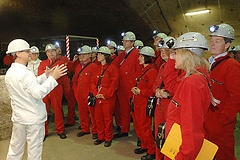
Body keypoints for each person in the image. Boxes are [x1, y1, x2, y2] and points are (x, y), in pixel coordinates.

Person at [5, 39, 67, 160]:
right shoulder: (25, 73)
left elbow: (28, 86)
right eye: (27, 51)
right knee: (34, 151)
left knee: (15, 149)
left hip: (20, 118)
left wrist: (45, 76)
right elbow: (38, 93)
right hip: (33, 119)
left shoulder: (11, 72)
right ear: (18, 53)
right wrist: (53, 78)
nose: (30, 53)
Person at [164, 32, 211, 159]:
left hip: (182, 152)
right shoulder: (192, 78)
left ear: (186, 54)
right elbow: (171, 85)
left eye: (176, 53)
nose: (172, 58)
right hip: (177, 144)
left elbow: (192, 129)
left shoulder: (192, 82)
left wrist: (183, 157)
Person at [204, 23, 240, 160]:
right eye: (211, 40)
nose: (212, 44)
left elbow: (236, 97)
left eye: (217, 41)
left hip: (220, 124)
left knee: (223, 155)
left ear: (227, 45)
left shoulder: (232, 66)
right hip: (206, 119)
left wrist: (222, 120)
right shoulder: (208, 63)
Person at [112, 31, 142, 138]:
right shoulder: (122, 55)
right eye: (123, 41)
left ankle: (140, 135)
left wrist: (136, 85)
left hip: (131, 87)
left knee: (135, 112)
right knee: (123, 109)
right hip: (122, 85)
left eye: (126, 41)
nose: (124, 43)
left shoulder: (137, 54)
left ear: (132, 42)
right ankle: (124, 129)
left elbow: (139, 71)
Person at [131, 46, 158, 160]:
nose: (139, 58)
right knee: (138, 125)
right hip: (138, 102)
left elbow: (153, 90)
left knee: (145, 127)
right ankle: (144, 145)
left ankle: (151, 151)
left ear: (147, 58)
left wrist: (140, 91)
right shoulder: (142, 70)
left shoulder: (152, 72)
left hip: (145, 103)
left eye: (141, 56)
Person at [38, 44, 69, 139]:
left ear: (56, 52)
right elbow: (40, 76)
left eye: (52, 51)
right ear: (46, 53)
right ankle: (44, 131)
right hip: (45, 90)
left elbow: (64, 79)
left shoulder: (60, 63)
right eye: (48, 51)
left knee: (58, 110)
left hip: (56, 89)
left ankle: (60, 130)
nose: (50, 53)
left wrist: (67, 92)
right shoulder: (42, 64)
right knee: (44, 111)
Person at [90, 46, 119, 147]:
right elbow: (92, 82)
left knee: (107, 118)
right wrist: (95, 93)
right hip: (98, 97)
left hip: (107, 99)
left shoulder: (112, 69)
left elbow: (114, 84)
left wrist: (105, 95)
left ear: (105, 56)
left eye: (99, 54)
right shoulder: (97, 68)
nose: (97, 56)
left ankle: (108, 137)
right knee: (98, 118)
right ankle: (100, 136)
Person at [152, 36, 175, 160]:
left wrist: (168, 94)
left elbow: (178, 87)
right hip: (160, 105)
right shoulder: (162, 67)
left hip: (170, 106)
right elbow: (156, 83)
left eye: (166, 50)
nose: (163, 53)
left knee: (169, 136)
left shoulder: (178, 67)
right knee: (158, 134)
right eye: (161, 51)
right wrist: (156, 90)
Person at [72, 45, 98, 139]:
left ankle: (95, 130)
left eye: (84, 54)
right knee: (82, 112)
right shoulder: (78, 66)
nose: (82, 57)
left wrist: (93, 93)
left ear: (90, 55)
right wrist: (76, 91)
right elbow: (75, 80)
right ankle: (85, 128)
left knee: (93, 113)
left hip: (89, 93)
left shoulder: (94, 66)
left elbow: (95, 82)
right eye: (80, 55)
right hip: (80, 93)